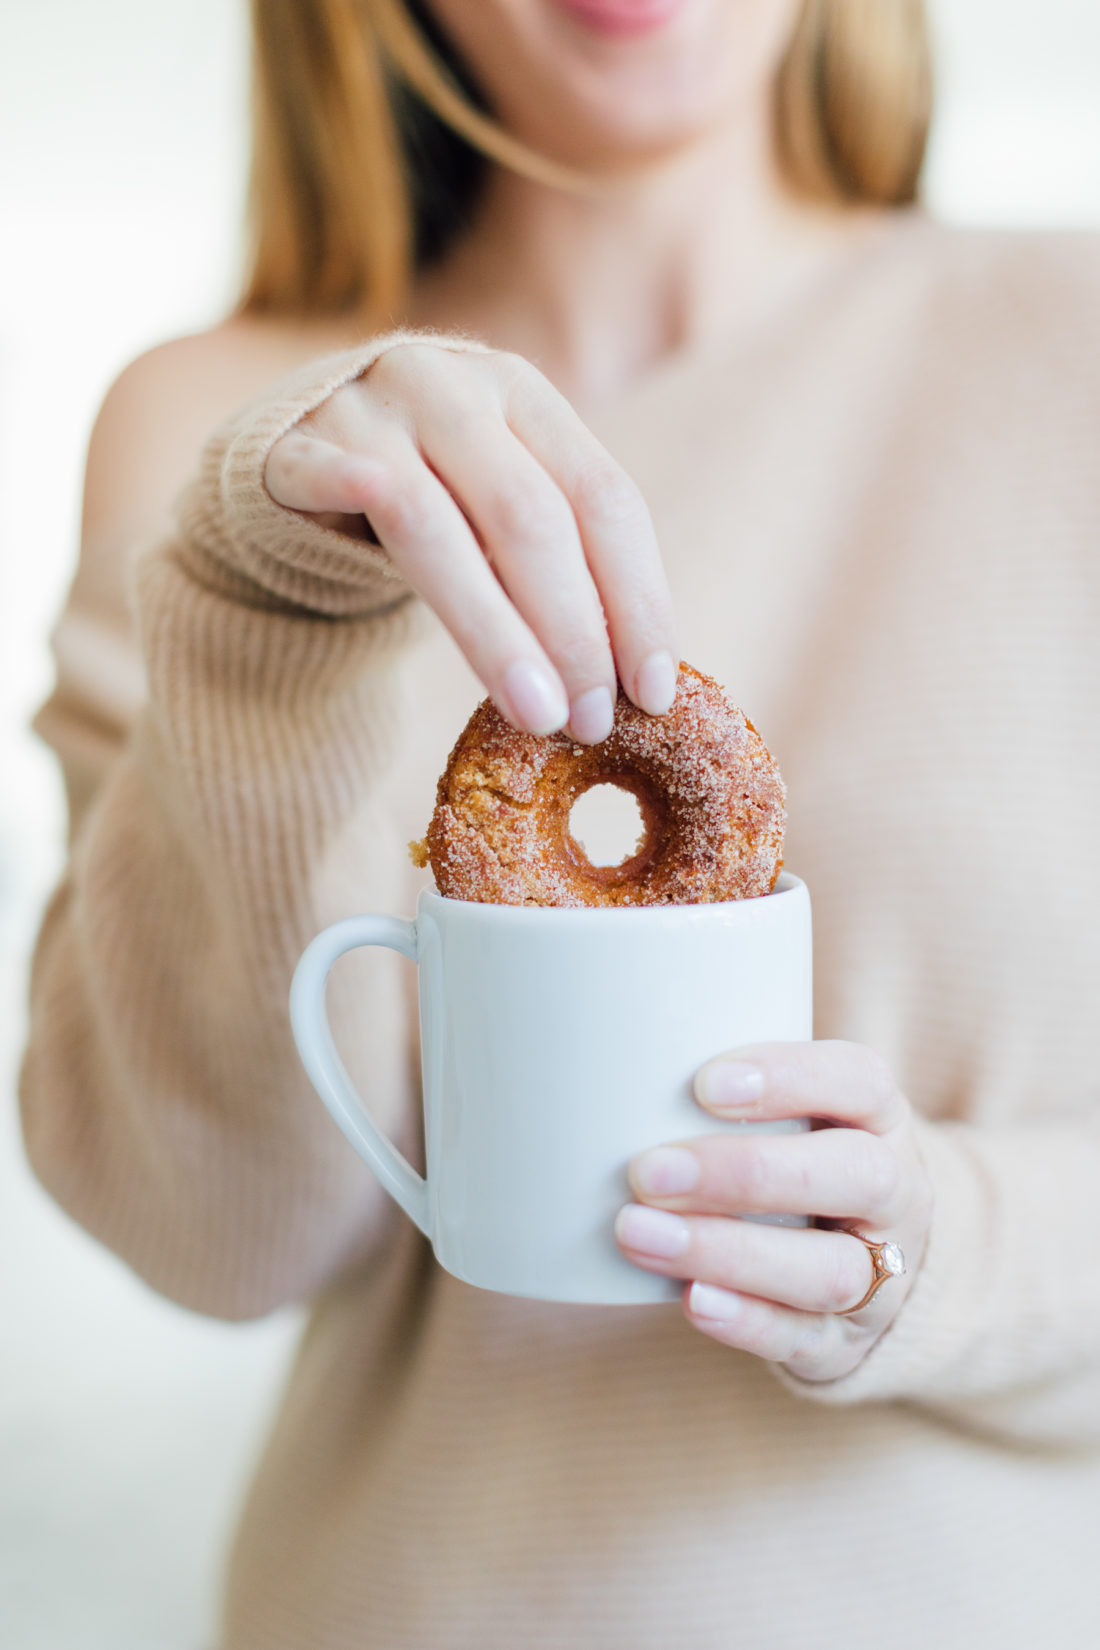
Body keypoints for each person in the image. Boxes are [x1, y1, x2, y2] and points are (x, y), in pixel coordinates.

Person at [19, 0, 1100, 1644]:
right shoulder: (218, 440)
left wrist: (951, 1248)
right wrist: (269, 618)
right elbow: (213, 1233)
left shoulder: (1064, 347)